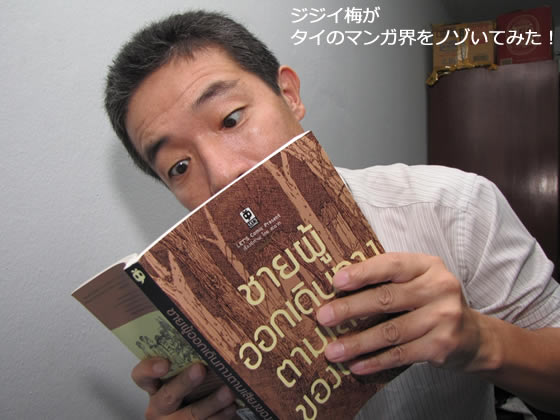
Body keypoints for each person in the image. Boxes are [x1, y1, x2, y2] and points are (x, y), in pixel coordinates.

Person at [104, 10, 560, 420]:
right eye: (179, 167)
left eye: (231, 119)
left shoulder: (453, 206)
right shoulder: (192, 307)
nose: (223, 175)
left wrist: (481, 342)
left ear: (288, 94)